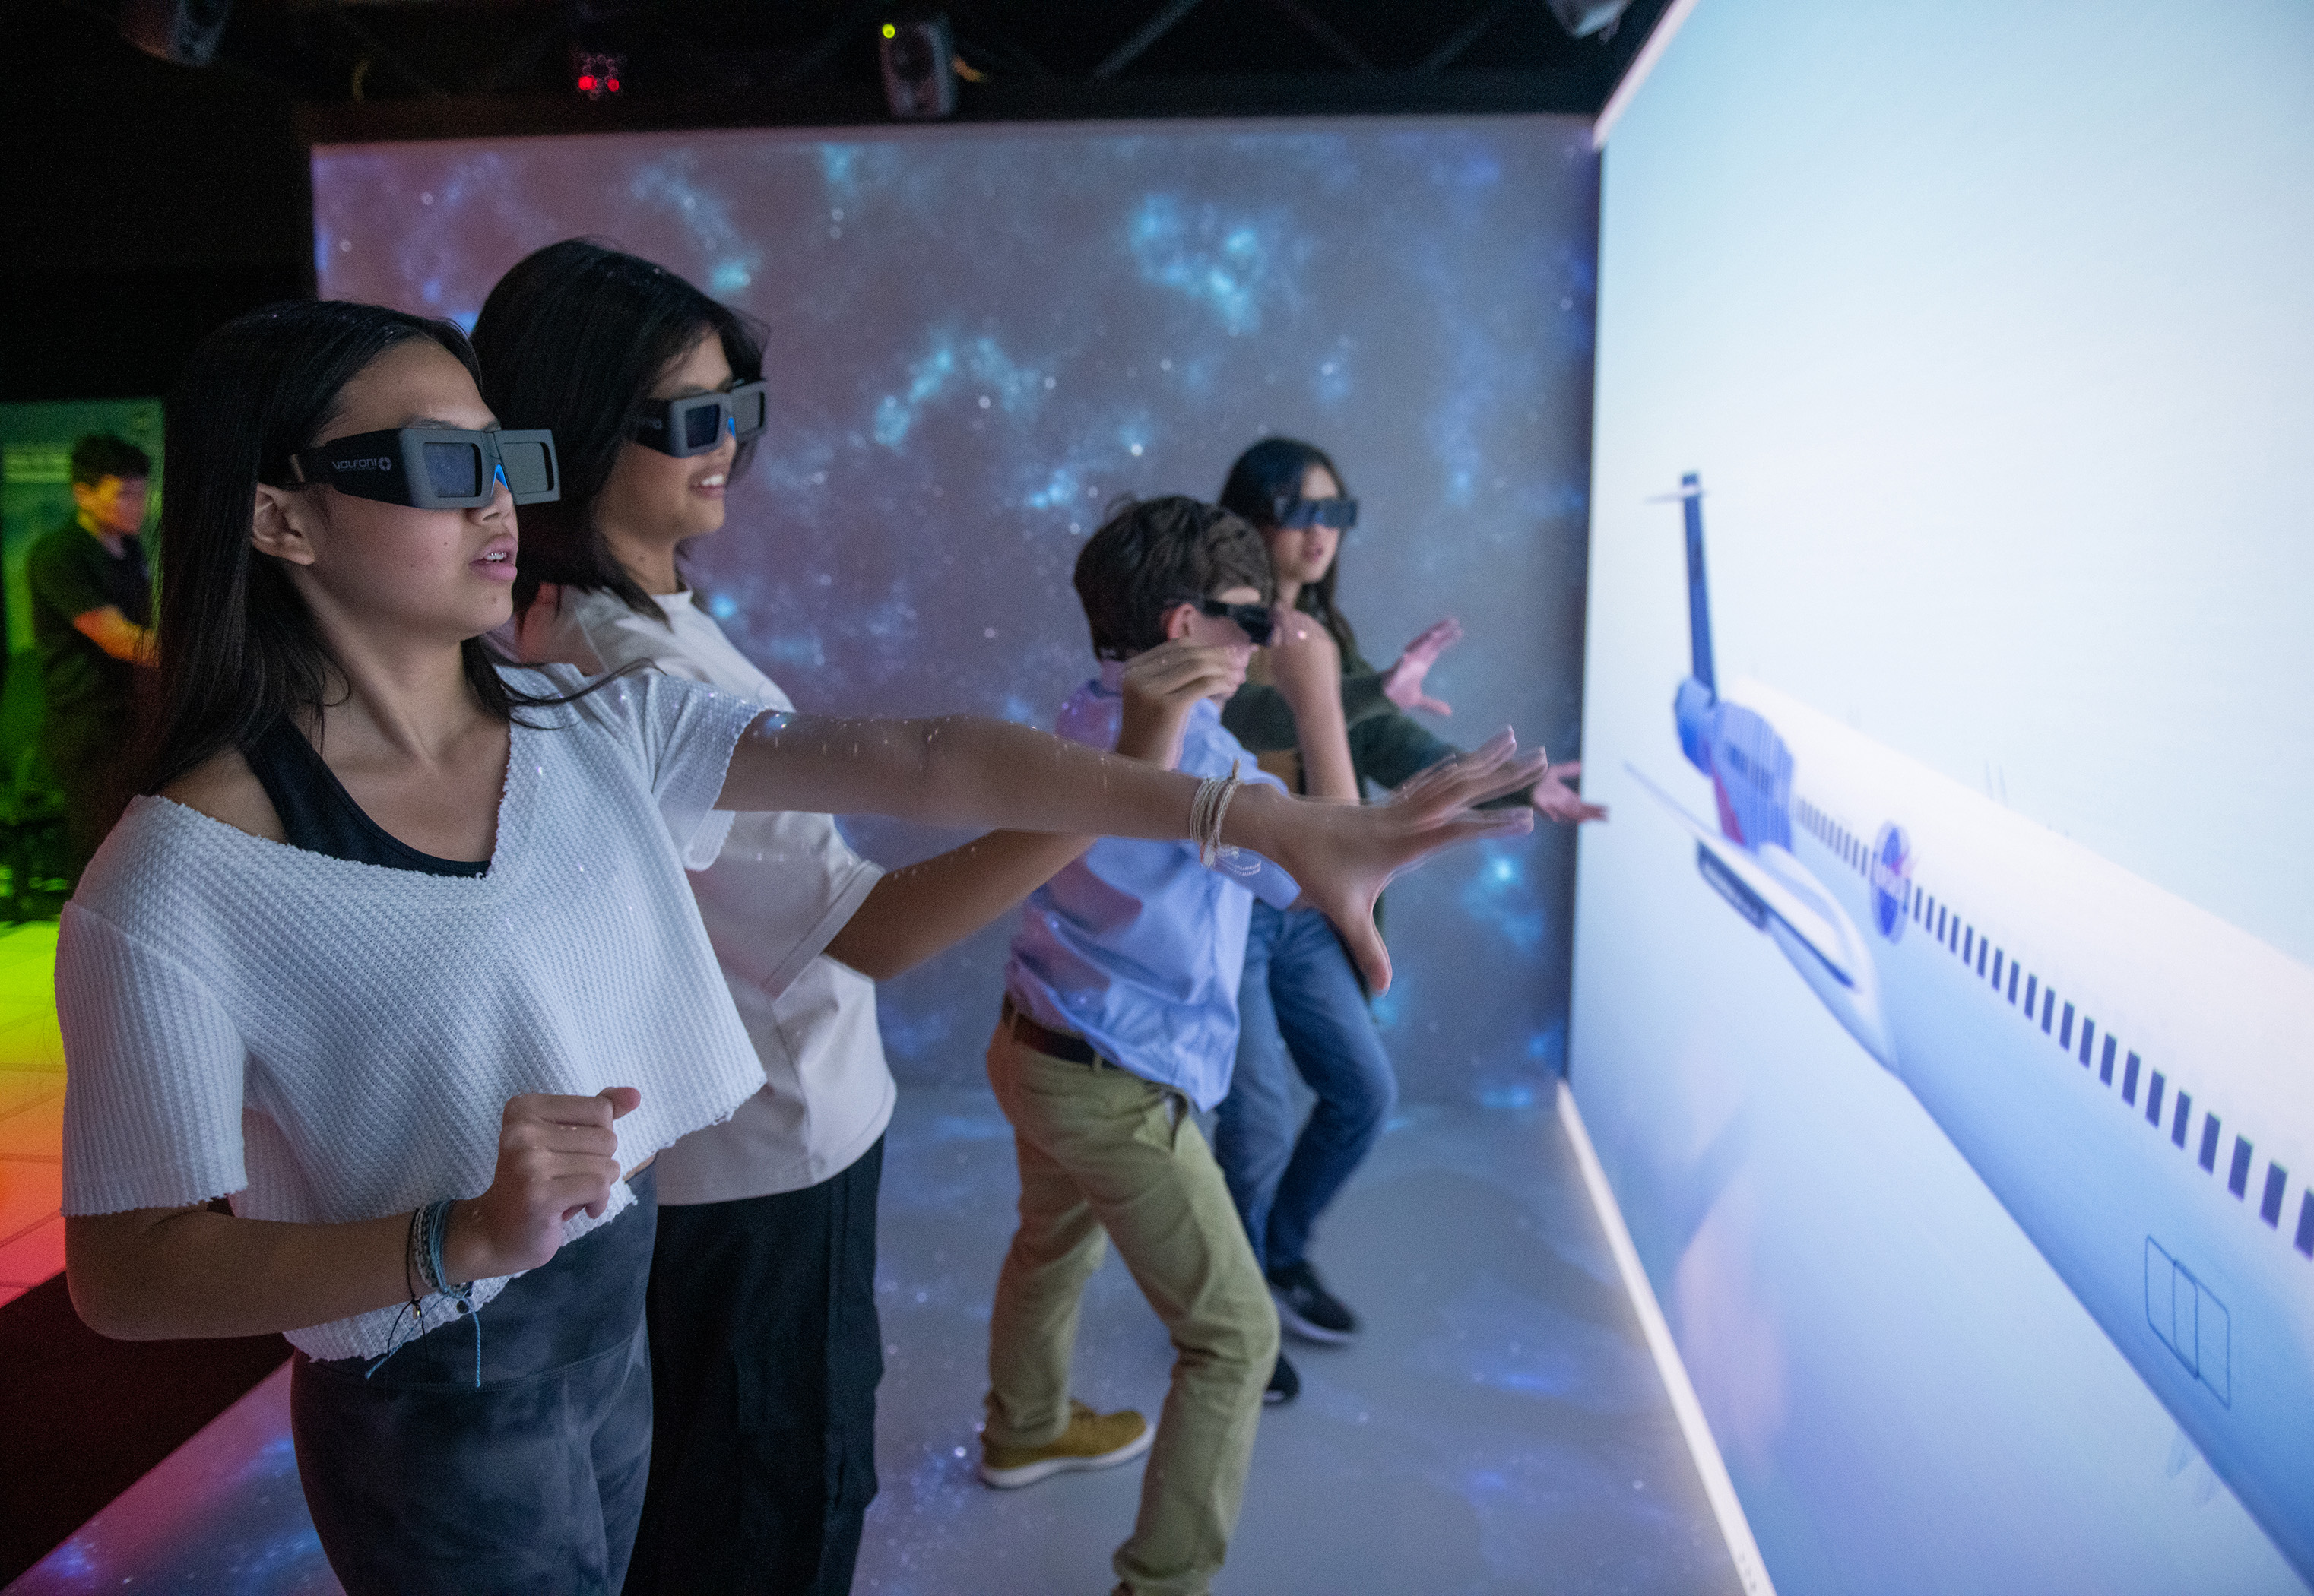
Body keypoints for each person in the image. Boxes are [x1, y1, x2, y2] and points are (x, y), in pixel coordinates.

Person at [55, 302, 1543, 1596]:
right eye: (444, 467)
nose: (501, 502)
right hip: (430, 1382)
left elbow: (925, 759)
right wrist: (459, 1239)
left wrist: (1258, 816)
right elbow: (129, 1273)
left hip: (607, 1299)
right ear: (279, 517)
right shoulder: (178, 884)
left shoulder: (591, 727)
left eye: (504, 458)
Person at [474, 239, 1096, 1596]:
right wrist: (1120, 793)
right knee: (770, 1513)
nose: (724, 449)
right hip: (759, 1166)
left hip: (762, 1143)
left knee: (750, 1495)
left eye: (735, 410)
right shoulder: (615, 658)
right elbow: (876, 920)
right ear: (569, 436)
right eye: (684, 421)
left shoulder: (623, 620)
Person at [981, 496, 1478, 1596]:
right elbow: (1335, 864)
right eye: (1254, 623)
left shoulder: (1074, 712)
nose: (1273, 638)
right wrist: (1315, 701)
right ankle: (1161, 1581)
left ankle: (1022, 1427)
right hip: (1119, 1090)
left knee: (1050, 1248)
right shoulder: (1208, 774)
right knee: (1235, 1344)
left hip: (1031, 1046)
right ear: (1182, 630)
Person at [1213, 437, 1607, 1404]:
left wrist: (1510, 779)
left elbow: (1370, 736)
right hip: (1232, 905)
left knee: (1363, 1094)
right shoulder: (1218, 628)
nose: (1321, 537)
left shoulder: (1326, 635)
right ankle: (1231, 1316)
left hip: (1309, 911)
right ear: (1255, 517)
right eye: (1305, 513)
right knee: (1254, 1122)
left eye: (1336, 516)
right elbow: (1240, 729)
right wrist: (1358, 691)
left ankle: (1276, 1253)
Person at [27, 433, 157, 878]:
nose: (137, 504)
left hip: (134, 721)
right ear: (82, 493)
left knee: (139, 850)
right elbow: (118, 639)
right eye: (124, 494)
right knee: (99, 856)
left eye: (142, 492)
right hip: (88, 727)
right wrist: (204, 658)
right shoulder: (59, 555)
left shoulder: (131, 548)